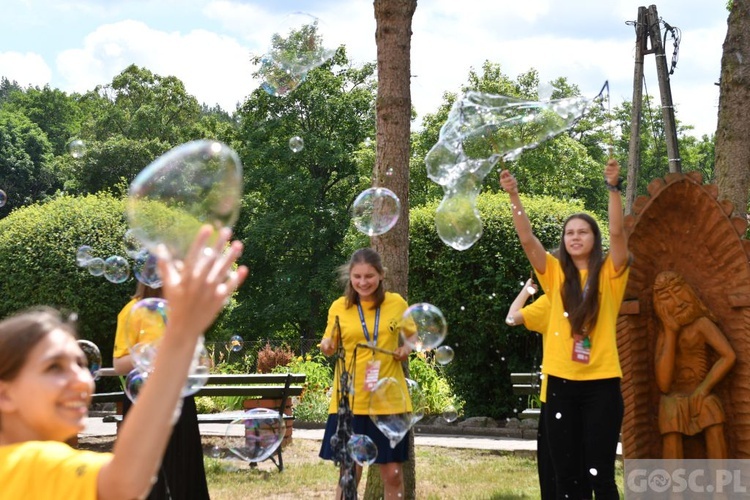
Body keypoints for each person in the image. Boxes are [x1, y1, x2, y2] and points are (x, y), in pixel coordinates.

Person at [0, 226, 247, 499]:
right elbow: (125, 480)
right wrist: (177, 340)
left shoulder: (58, 468)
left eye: (80, 364)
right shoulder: (36, 465)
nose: (80, 379)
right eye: (54, 367)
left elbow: (123, 481)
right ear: (4, 393)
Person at [500, 159, 629, 500]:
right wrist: (513, 194)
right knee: (566, 478)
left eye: (582, 231)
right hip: (559, 385)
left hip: (602, 386)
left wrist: (613, 189)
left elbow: (618, 234)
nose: (575, 237)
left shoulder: (611, 274)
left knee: (600, 476)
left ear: (593, 238)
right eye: (569, 232)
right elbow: (528, 239)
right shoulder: (555, 274)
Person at [318, 248, 412, 500]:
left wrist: (406, 348)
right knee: (350, 474)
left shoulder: (396, 303)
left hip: (389, 400)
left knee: (393, 473)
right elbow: (329, 342)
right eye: (357, 276)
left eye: (369, 276)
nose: (363, 282)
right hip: (350, 402)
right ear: (350, 276)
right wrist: (326, 346)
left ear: (381, 275)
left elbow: (412, 336)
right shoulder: (339, 306)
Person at [113, 281, 209, 499]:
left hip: (179, 394)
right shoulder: (132, 311)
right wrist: (151, 353)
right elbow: (119, 364)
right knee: (146, 463)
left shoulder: (182, 310)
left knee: (185, 464)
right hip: (142, 397)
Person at [506, 279, 592, 500]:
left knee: (553, 470)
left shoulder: (549, 302)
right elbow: (584, 356)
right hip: (583, 399)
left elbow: (511, 317)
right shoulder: (585, 303)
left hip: (555, 400)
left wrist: (526, 291)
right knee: (579, 468)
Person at [652, 270, 735, 459]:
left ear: (688, 291)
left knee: (711, 408)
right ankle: (674, 488)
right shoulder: (665, 335)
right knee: (669, 409)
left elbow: (728, 356)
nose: (677, 301)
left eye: (678, 290)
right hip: (675, 397)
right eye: (667, 297)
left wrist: (704, 389)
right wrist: (671, 332)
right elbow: (664, 385)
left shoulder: (702, 324)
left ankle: (721, 487)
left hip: (701, 393)